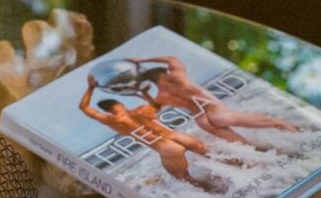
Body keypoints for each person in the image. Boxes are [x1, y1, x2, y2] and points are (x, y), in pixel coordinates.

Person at [79, 74, 229, 192]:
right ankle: (244, 169)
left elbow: (84, 108)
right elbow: (156, 106)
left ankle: (215, 194)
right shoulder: (141, 110)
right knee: (215, 156)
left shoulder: (113, 120)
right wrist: (144, 93)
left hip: (167, 148)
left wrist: (91, 87)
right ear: (120, 104)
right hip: (177, 136)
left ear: (108, 109)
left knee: (186, 180)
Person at [127, 54, 301, 145]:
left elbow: (155, 107)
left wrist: (142, 94)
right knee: (273, 122)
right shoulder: (179, 78)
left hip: (202, 120)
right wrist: (143, 59)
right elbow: (172, 59)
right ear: (163, 73)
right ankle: (292, 131)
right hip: (215, 111)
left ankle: (260, 160)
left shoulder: (160, 95)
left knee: (245, 145)